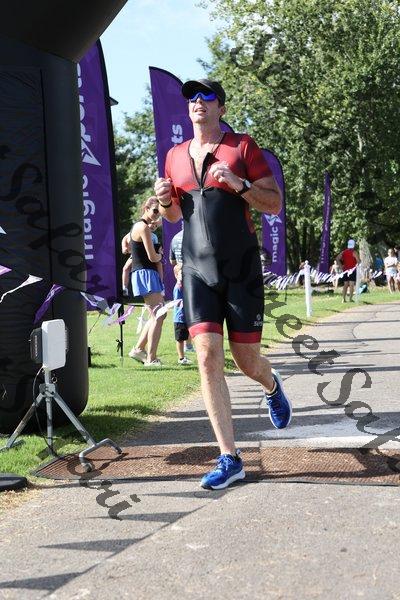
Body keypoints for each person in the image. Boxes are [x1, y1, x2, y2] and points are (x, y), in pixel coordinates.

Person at [154, 78, 292, 490]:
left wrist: (239, 184)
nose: (197, 102)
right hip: (196, 269)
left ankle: (270, 384)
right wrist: (165, 200)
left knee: (247, 360)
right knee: (207, 357)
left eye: (206, 96)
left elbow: (274, 203)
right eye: (192, 98)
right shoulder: (174, 155)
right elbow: (174, 217)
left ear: (221, 108)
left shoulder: (242, 147)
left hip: (240, 267)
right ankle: (229, 457)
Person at [127, 197, 165, 367]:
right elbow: (153, 257)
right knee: (159, 314)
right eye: (155, 210)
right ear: (146, 208)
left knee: (157, 314)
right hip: (145, 273)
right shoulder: (142, 227)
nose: (157, 214)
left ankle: (138, 350)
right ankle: (151, 358)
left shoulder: (141, 226)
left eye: (160, 212)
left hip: (145, 273)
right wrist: (160, 254)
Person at [169, 229, 194, 352]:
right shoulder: (195, 235)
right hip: (180, 318)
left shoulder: (175, 237)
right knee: (181, 331)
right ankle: (182, 355)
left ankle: (189, 346)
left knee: (190, 320)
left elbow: (172, 261)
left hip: (181, 274)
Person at [172, 263, 192, 365]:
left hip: (187, 317)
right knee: (180, 339)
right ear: (176, 275)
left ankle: (189, 348)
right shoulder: (178, 287)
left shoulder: (186, 286)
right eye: (181, 274)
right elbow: (178, 302)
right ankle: (181, 358)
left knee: (188, 335)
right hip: (180, 318)